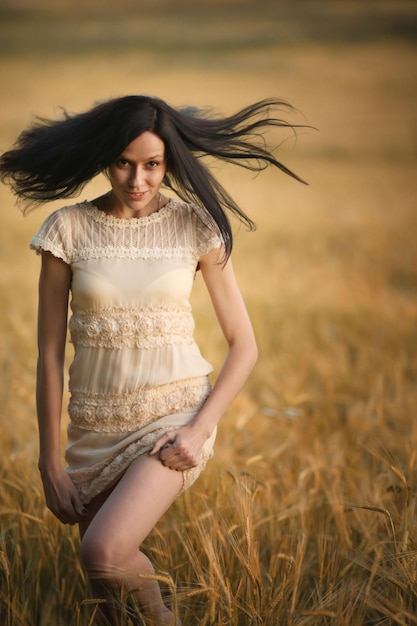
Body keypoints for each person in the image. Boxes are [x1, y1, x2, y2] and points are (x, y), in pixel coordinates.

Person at [0, 95, 305, 625]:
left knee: (103, 552)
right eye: (123, 162)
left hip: (173, 419)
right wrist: (50, 460)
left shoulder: (194, 226)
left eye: (152, 165)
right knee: (109, 596)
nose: (137, 180)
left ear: (168, 163)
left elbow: (245, 344)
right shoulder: (66, 230)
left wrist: (199, 428)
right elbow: (48, 354)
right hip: (92, 429)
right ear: (104, 157)